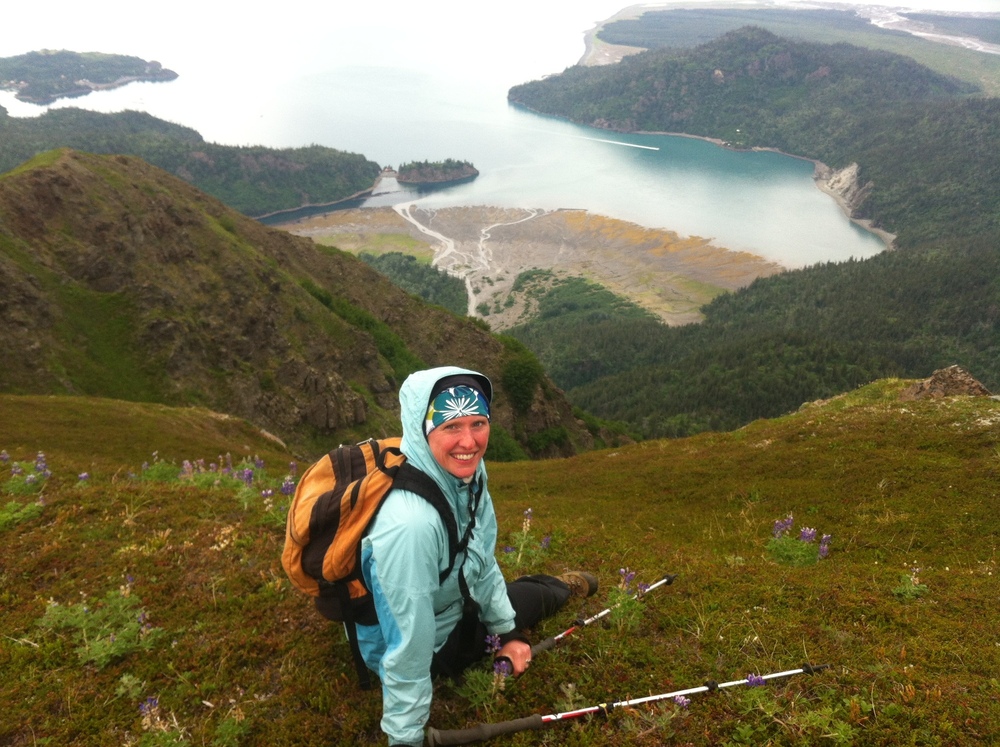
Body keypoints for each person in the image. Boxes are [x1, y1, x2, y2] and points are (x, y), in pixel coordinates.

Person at [355, 365, 598, 746]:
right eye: (451, 426)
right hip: (423, 642)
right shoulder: (410, 525)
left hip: (446, 603)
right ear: (422, 429)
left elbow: (480, 559)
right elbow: (409, 643)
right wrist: (405, 738)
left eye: (478, 423)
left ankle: (548, 591)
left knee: (515, 601)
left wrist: (508, 633)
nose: (468, 442)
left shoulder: (466, 476)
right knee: (531, 596)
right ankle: (559, 588)